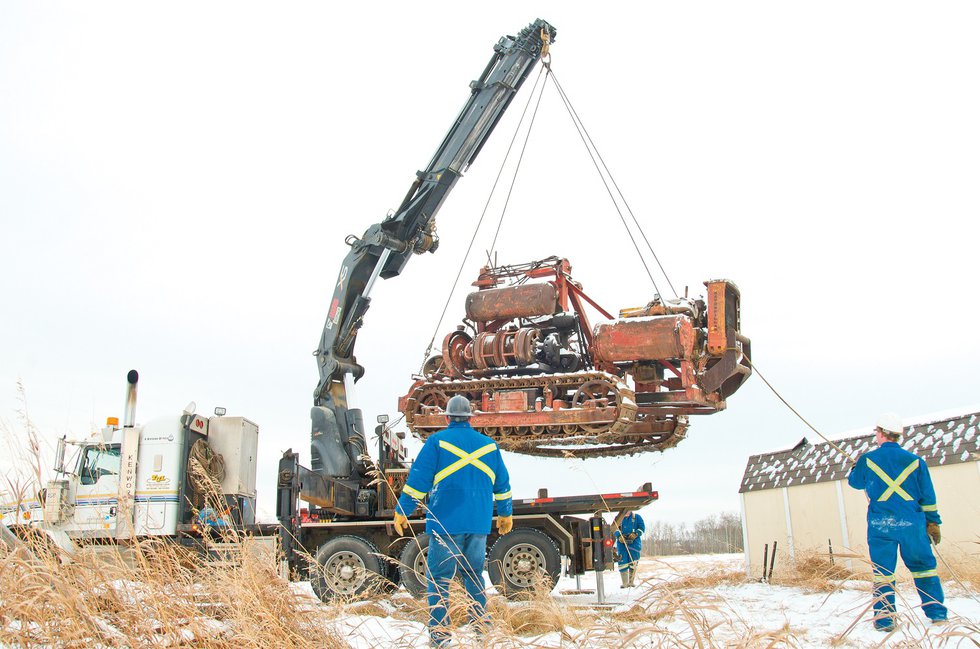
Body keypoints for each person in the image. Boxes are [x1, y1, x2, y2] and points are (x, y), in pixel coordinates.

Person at [392, 395, 513, 648]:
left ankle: (440, 638)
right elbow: (502, 485)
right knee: (474, 575)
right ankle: (482, 631)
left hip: (445, 521)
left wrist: (403, 508)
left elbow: (419, 480)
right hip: (478, 524)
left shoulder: (436, 442)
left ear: (447, 418)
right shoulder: (490, 446)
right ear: (470, 419)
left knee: (440, 580)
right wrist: (505, 513)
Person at [847, 412, 947, 631]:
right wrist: (933, 523)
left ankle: (885, 621)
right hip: (912, 525)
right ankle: (937, 613)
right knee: (924, 569)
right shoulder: (916, 461)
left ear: (881, 433)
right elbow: (928, 497)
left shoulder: (868, 459)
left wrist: (855, 468)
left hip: (881, 526)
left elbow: (855, 483)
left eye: (876, 432)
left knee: (883, 573)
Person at [614, 510, 645, 588]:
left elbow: (642, 528)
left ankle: (631, 582)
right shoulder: (618, 518)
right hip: (622, 544)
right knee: (622, 561)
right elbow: (614, 529)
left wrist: (636, 534)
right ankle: (625, 583)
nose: (627, 512)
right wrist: (619, 536)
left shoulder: (637, 517)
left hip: (634, 544)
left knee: (633, 562)